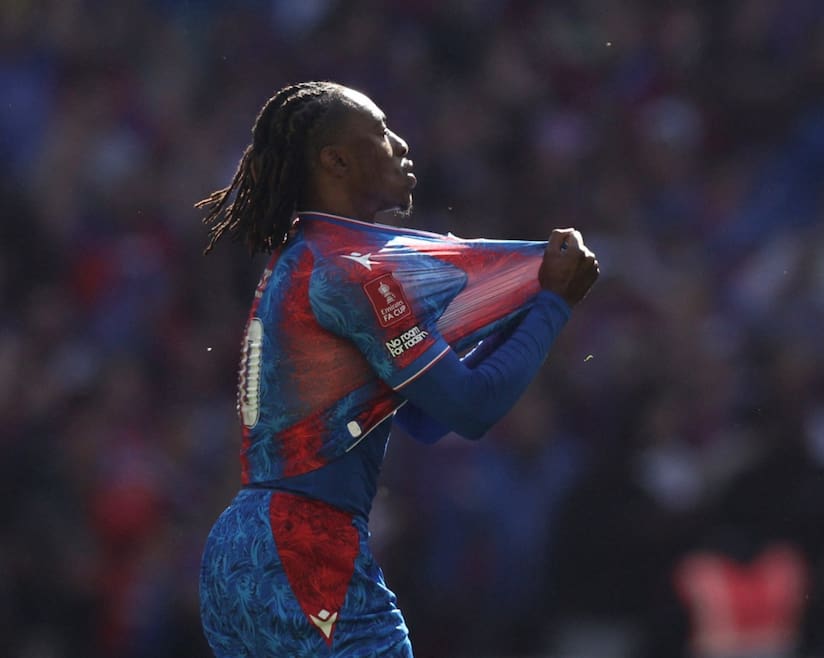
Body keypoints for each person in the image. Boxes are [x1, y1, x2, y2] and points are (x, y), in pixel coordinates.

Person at [196, 81, 599, 657]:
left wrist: (528, 302)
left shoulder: (305, 259)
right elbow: (471, 408)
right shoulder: (356, 274)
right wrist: (555, 305)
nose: (401, 144)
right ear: (335, 160)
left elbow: (426, 420)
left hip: (242, 547)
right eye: (380, 133)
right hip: (306, 546)